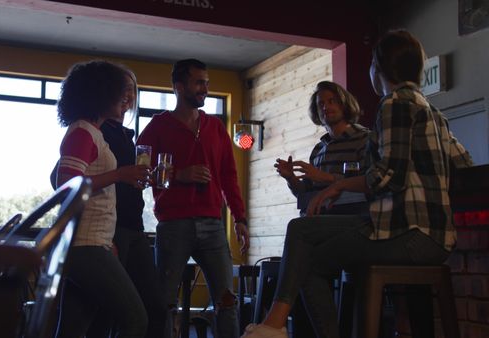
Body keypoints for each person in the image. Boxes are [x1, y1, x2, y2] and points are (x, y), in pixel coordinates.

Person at [242, 30, 473, 338]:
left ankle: (275, 325)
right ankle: (274, 323)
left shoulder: (394, 104)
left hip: (408, 233)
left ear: (378, 69)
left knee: (307, 259)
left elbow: (388, 175)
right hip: (435, 236)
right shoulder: (434, 112)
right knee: (301, 230)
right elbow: (465, 168)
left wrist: (336, 185)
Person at [136, 58, 250, 338]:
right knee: (164, 303)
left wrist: (240, 218)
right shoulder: (157, 127)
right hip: (173, 226)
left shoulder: (216, 128)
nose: (205, 89)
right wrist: (180, 175)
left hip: (213, 226)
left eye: (207, 83)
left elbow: (229, 177)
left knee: (227, 302)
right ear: (178, 87)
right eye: (199, 82)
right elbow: (139, 174)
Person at [53, 60, 150, 338]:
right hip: (85, 245)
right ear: (100, 94)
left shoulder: (93, 132)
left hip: (92, 243)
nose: (126, 99)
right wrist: (120, 174)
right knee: (135, 320)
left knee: (72, 329)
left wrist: (107, 243)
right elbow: (67, 186)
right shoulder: (82, 131)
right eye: (120, 92)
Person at [275, 81, 370, 216]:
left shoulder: (365, 139)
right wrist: (290, 178)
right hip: (320, 218)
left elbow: (371, 182)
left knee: (296, 228)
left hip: (353, 219)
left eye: (332, 101)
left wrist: (326, 177)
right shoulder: (318, 150)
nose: (326, 107)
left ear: (344, 105)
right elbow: (305, 194)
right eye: (321, 104)